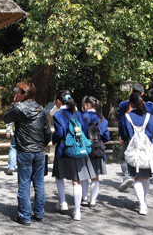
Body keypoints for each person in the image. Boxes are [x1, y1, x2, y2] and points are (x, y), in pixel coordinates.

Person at [3, 82, 51, 226]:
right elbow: (47, 132)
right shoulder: (41, 109)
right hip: (38, 151)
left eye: (18, 91)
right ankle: (39, 213)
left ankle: (24, 216)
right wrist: (42, 145)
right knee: (39, 183)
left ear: (24, 94)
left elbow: (6, 118)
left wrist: (13, 103)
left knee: (24, 184)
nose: (16, 93)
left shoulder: (18, 108)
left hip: (25, 151)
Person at [51, 91, 96, 221]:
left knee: (59, 176)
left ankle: (63, 203)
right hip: (78, 150)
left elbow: (59, 133)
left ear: (59, 101)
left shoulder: (58, 115)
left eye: (55, 100)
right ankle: (77, 212)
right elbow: (84, 129)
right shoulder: (79, 114)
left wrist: (53, 140)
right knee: (76, 182)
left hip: (63, 150)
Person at [119, 92, 153, 215]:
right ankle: (144, 200)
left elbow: (124, 135)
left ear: (130, 103)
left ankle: (141, 204)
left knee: (137, 178)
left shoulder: (126, 117)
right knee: (146, 177)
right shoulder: (150, 117)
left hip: (134, 151)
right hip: (147, 151)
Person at [80, 96, 110, 208]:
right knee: (95, 177)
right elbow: (107, 137)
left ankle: (84, 198)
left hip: (84, 149)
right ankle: (93, 201)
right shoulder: (103, 119)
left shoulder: (81, 117)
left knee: (83, 175)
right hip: (98, 150)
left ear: (87, 104)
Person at [117, 84, 146, 191]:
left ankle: (127, 176)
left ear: (132, 90)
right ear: (142, 94)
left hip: (128, 135)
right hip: (143, 136)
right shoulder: (145, 105)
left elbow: (120, 121)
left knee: (124, 157)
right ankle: (142, 178)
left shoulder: (123, 104)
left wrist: (121, 134)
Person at [6, 86, 19, 176]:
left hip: (15, 131)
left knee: (13, 148)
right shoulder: (26, 105)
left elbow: (9, 119)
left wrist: (8, 130)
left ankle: (11, 166)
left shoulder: (13, 106)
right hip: (25, 132)